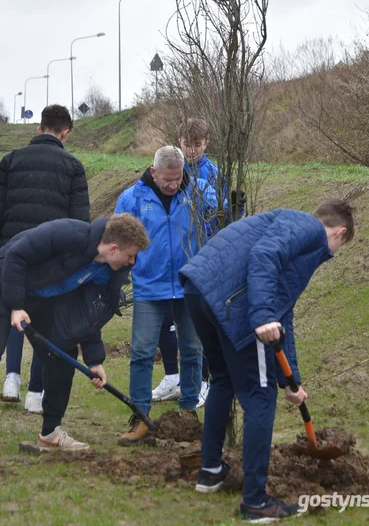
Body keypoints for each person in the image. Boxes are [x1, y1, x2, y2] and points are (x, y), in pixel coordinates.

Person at [179, 199, 355, 522]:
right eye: (336, 249)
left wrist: (291, 381)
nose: (330, 256)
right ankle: (256, 501)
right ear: (339, 233)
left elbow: (282, 316)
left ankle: (210, 471)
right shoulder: (308, 228)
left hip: (201, 291)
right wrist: (260, 314)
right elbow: (264, 256)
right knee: (260, 396)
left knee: (223, 380)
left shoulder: (291, 227)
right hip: (236, 303)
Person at [0, 214, 149, 462]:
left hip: (40, 297)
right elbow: (16, 256)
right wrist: (15, 305)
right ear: (113, 248)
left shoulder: (104, 272)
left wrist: (95, 360)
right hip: (4, 281)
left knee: (62, 353)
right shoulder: (66, 233)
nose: (132, 261)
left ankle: (50, 432)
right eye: (130, 255)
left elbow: (88, 315)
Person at [0, 104, 90, 413]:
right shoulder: (73, 166)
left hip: (10, 254)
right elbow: (80, 224)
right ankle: (36, 393)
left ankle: (11, 378)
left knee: (17, 312)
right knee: (45, 324)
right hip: (50, 260)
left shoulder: (10, 160)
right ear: (65, 133)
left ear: (39, 128)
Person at [114, 145, 218, 445]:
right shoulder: (132, 198)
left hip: (189, 285)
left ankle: (188, 413)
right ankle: (140, 416)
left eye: (178, 179)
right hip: (149, 286)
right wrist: (118, 280)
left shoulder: (198, 191)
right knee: (143, 350)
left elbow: (219, 216)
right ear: (153, 171)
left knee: (192, 349)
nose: (173, 185)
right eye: (167, 180)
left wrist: (231, 206)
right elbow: (117, 240)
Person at [152, 118, 219, 407]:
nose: (191, 150)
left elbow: (217, 211)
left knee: (197, 321)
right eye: (186, 143)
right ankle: (171, 376)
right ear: (179, 141)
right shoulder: (168, 167)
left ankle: (203, 380)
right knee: (164, 317)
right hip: (169, 253)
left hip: (198, 253)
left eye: (197, 145)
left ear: (206, 144)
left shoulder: (211, 172)